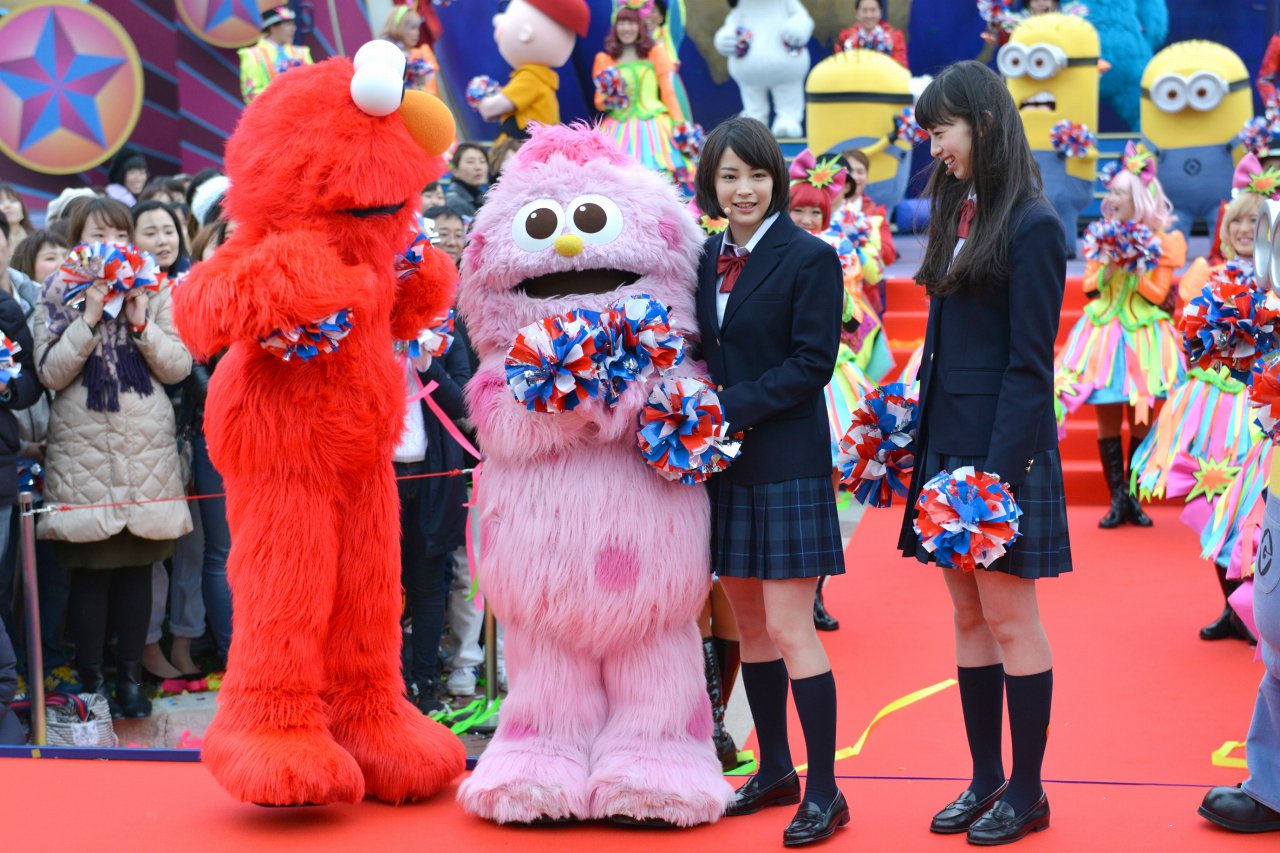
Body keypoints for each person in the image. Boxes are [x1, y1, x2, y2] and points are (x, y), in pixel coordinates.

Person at [903, 60, 1068, 845]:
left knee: (1009, 616)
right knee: (966, 613)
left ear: (987, 124)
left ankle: (1027, 790)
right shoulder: (955, 206)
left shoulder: (1033, 225)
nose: (934, 147)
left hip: (1001, 456)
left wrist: (994, 483)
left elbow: (1030, 367)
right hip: (947, 444)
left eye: (943, 130)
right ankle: (984, 777)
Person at [695, 117, 848, 846]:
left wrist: (727, 407)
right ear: (711, 183)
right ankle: (775, 769)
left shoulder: (810, 256)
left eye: (756, 175)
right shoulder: (702, 256)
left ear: (776, 181)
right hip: (724, 464)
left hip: (785, 459)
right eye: (729, 176)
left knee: (790, 628)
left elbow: (813, 363)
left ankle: (825, 790)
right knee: (748, 626)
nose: (744, 189)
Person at [34, 197, 193, 719]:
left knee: (138, 571)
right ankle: (92, 681)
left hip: (145, 448)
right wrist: (88, 317)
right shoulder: (56, 291)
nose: (112, 245)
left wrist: (142, 324)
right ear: (77, 241)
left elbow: (178, 367)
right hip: (84, 452)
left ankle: (129, 680)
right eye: (98, 235)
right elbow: (50, 373)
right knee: (91, 573)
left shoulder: (154, 287)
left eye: (121, 236)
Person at [1133, 177, 1268, 643]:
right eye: (1239, 221)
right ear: (1226, 229)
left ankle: (1257, 607)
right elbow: (1188, 334)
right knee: (1213, 504)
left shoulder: (1275, 279)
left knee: (1253, 509)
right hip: (1211, 405)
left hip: (1259, 407)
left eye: (1256, 221)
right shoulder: (1206, 275)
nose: (1246, 229)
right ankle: (1232, 607)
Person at [1055, 144, 1186, 529]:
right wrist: (1110, 266)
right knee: (1108, 419)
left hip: (1146, 340)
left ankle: (1134, 498)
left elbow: (1157, 295)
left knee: (1142, 420)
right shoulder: (1100, 236)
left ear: (1139, 199)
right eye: (1110, 191)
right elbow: (1089, 287)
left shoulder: (1164, 241)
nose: (1110, 198)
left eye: (1119, 192)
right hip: (1104, 339)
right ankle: (1117, 500)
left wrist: (1135, 264)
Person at [395, 300, 473, 714]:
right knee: (381, 588)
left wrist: (426, 362)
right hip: (380, 477)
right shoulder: (361, 329)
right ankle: (388, 683)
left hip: (434, 476)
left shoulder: (445, 331)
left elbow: (462, 403)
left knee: (428, 587)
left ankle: (425, 684)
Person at [592, 3, 692, 189]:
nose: (626, 28)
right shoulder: (605, 60)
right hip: (618, 129)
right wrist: (611, 96)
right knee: (623, 181)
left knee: (661, 178)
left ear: (640, 26)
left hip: (653, 127)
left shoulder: (655, 52)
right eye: (622, 23)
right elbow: (599, 102)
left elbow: (668, 93)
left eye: (631, 23)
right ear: (615, 27)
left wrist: (679, 123)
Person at [834, 148, 896, 311]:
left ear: (867, 178)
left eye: (860, 172)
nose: (855, 177)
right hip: (830, 291)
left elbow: (889, 254)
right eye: (850, 171)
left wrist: (860, 246)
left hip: (865, 297)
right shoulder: (825, 208)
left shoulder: (875, 212)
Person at [239, 5, 313, 105]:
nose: (294, 28)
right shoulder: (253, 55)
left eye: (293, 24)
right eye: (288, 24)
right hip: (269, 112)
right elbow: (250, 94)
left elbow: (313, 83)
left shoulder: (301, 53)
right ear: (272, 27)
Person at [380, 4, 439, 96]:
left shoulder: (413, 56)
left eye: (418, 28)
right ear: (398, 27)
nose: (417, 33)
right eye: (412, 28)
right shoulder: (388, 54)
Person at [834, 0, 908, 70]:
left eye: (873, 10)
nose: (869, 15)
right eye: (864, 10)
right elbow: (839, 68)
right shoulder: (845, 39)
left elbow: (901, 69)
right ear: (856, 13)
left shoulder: (894, 39)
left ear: (880, 13)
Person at [444, 144, 489, 216]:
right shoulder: (455, 203)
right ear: (455, 170)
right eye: (470, 162)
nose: (478, 167)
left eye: (482, 161)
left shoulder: (483, 198)